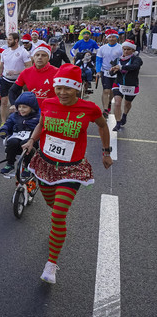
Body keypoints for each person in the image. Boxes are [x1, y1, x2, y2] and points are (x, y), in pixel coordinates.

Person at [21, 64, 112, 284]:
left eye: (67, 89)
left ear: (77, 89)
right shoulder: (48, 103)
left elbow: (102, 126)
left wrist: (106, 152)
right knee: (51, 204)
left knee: (58, 213)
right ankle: (56, 231)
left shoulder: (90, 108)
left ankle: (51, 264)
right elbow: (42, 125)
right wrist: (32, 140)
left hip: (72, 168)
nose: (62, 92)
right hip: (45, 164)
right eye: (59, 87)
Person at [0, 91, 40, 177]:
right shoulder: (14, 116)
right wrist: (3, 130)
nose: (21, 109)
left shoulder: (37, 117)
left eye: (24, 107)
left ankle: (28, 166)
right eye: (19, 107)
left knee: (25, 143)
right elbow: (7, 124)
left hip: (32, 141)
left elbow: (41, 128)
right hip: (17, 138)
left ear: (32, 108)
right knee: (12, 142)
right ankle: (10, 164)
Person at [0, 33, 31, 123]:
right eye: (7, 39)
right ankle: (3, 123)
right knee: (3, 102)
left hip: (18, 81)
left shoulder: (23, 52)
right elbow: (0, 67)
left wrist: (17, 72)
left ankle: (18, 121)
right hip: (5, 79)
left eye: (10, 39)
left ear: (16, 40)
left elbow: (29, 68)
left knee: (17, 103)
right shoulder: (5, 52)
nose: (8, 41)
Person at [109, 39, 142, 132]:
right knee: (117, 102)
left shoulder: (137, 59)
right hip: (118, 83)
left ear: (133, 50)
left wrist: (121, 67)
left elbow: (134, 67)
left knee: (127, 103)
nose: (126, 51)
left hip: (131, 85)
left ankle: (125, 115)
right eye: (124, 49)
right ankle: (118, 123)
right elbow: (111, 73)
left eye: (128, 49)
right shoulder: (118, 59)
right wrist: (112, 70)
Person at [94, 29, 124, 118]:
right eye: (110, 37)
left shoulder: (121, 48)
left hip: (116, 72)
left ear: (117, 38)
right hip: (105, 71)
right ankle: (105, 109)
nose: (111, 39)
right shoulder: (102, 48)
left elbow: (123, 60)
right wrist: (98, 71)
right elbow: (98, 60)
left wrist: (119, 67)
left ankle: (109, 102)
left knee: (112, 91)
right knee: (106, 90)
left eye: (113, 37)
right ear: (107, 38)